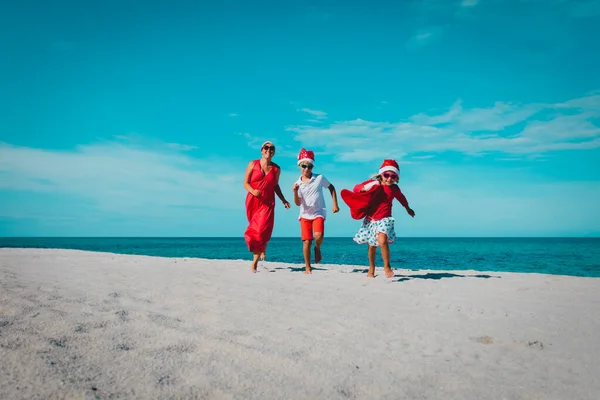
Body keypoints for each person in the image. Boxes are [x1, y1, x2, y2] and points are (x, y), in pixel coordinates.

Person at [340, 159, 415, 278]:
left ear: (397, 178)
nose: (389, 178)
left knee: (382, 240)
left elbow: (401, 198)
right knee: (372, 246)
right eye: (386, 175)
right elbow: (357, 188)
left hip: (385, 220)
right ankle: (372, 267)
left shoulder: (394, 189)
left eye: (393, 176)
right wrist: (367, 187)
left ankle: (387, 266)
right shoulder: (375, 184)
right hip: (371, 220)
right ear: (381, 174)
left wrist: (407, 208)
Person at [243, 141, 291, 272]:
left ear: (274, 152)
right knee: (255, 229)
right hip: (253, 201)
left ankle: (254, 263)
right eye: (266, 147)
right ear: (261, 150)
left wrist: (283, 200)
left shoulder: (276, 169)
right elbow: (245, 183)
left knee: (260, 230)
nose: (269, 150)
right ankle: (262, 248)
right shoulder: (252, 164)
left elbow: (275, 185)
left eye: (272, 148)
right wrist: (253, 191)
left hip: (267, 202)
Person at [292, 148, 339, 274]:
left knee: (318, 236)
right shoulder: (297, 184)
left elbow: (332, 187)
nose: (307, 169)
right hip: (305, 215)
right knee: (306, 241)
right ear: (299, 166)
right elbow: (297, 203)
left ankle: (317, 248)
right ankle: (308, 267)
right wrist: (295, 192)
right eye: (304, 166)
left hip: (318, 212)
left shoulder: (319, 178)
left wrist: (335, 204)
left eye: (310, 166)